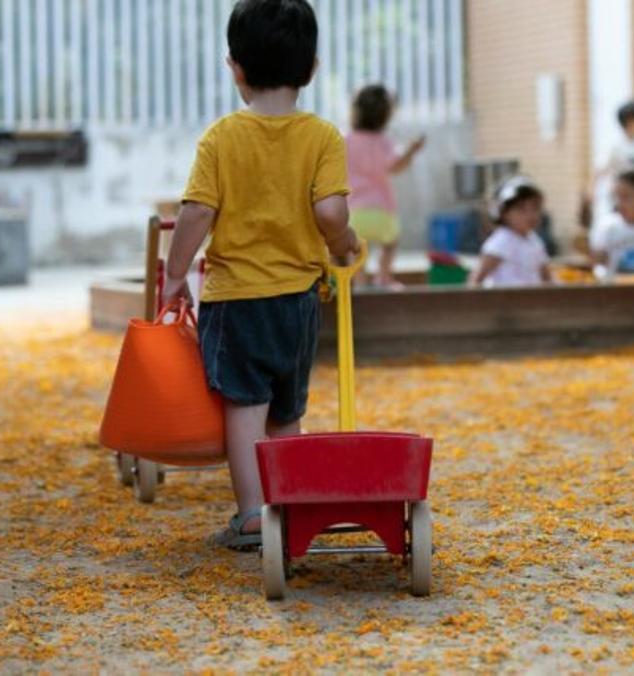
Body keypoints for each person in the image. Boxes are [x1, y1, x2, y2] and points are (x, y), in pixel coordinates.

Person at [161, 0, 359, 551]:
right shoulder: (323, 137)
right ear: (311, 67)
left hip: (236, 299)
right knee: (286, 409)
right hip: (298, 297)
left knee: (245, 406)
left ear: (236, 68)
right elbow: (331, 212)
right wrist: (343, 243)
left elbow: (197, 211)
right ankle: (286, 506)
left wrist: (175, 275)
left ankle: (252, 515)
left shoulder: (221, 138)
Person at [344, 84, 426, 289]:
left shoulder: (345, 140)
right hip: (383, 210)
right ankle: (384, 276)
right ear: (386, 115)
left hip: (353, 211)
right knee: (390, 243)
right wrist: (410, 151)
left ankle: (360, 283)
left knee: (355, 250)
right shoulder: (384, 142)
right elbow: (396, 166)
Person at [580, 99, 634, 237]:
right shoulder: (616, 145)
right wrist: (591, 189)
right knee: (621, 228)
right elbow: (601, 168)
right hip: (622, 197)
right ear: (630, 120)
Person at [470, 176, 551, 288]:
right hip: (504, 298)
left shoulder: (534, 241)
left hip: (531, 297)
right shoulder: (501, 241)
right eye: (521, 209)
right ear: (503, 213)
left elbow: (546, 276)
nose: (530, 214)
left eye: (535, 208)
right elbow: (477, 279)